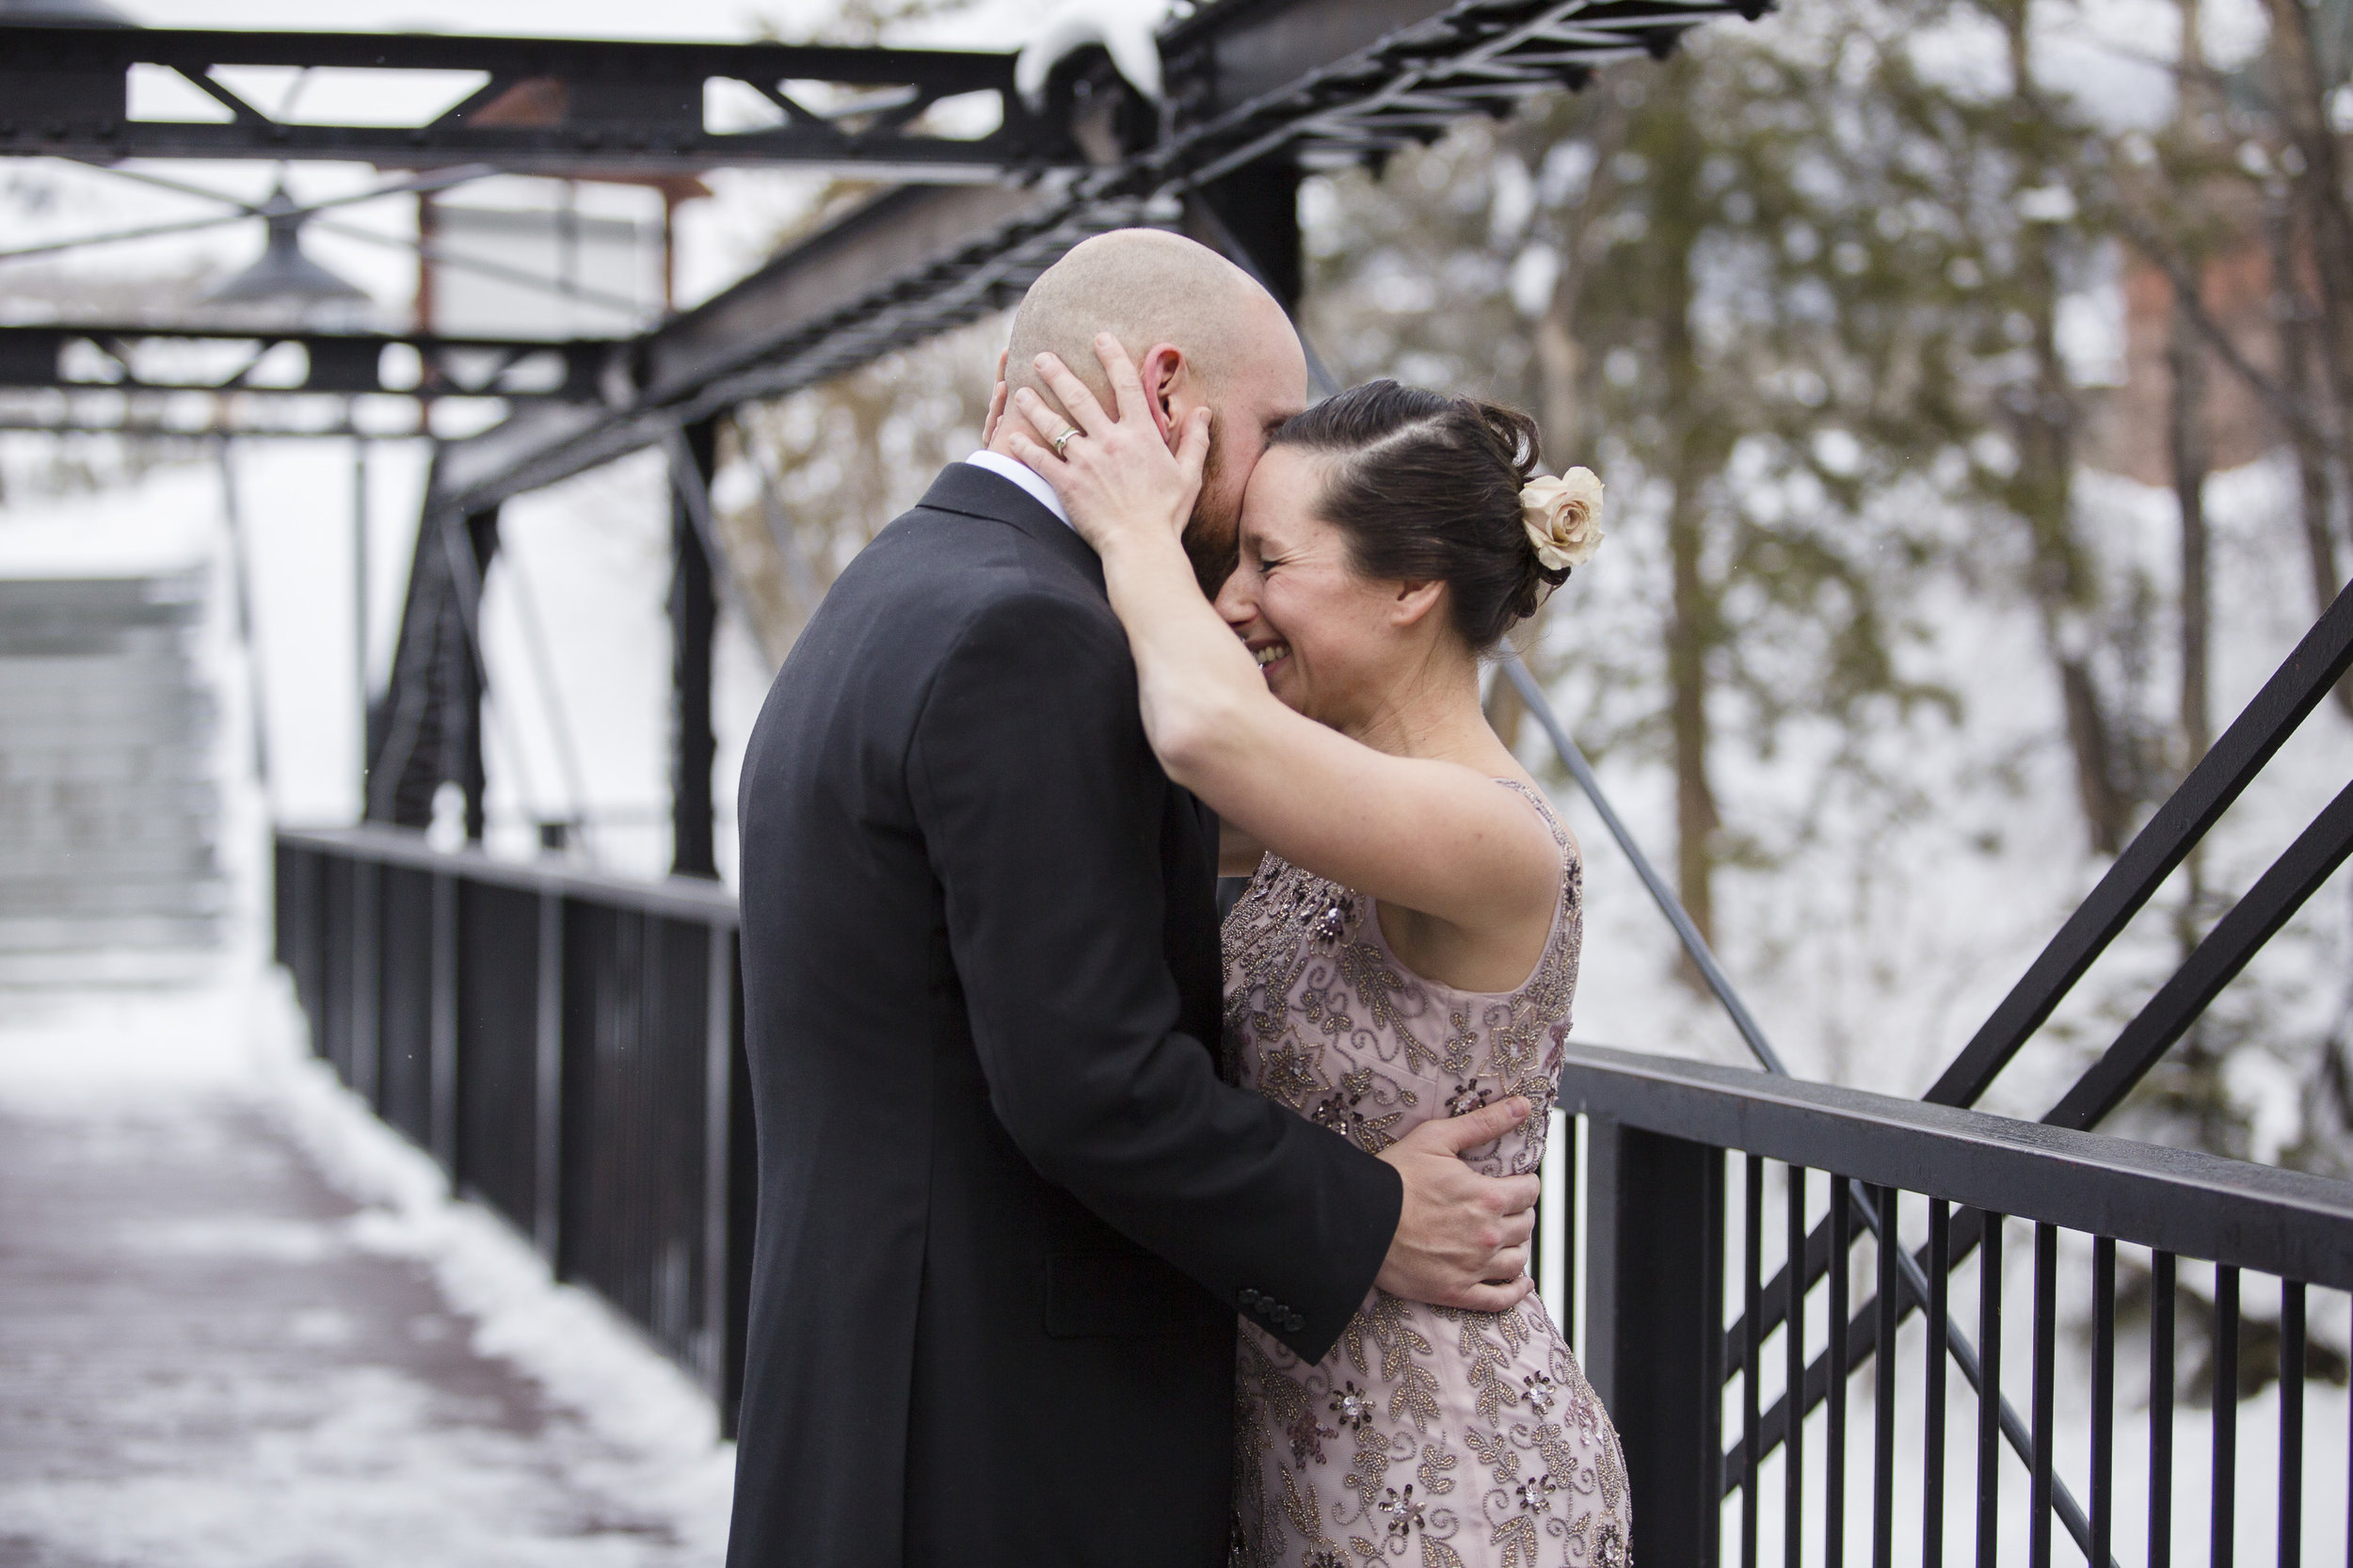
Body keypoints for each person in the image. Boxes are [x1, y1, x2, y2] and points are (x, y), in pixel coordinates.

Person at [726, 229, 1545, 1568]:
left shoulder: (894, 591)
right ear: (1165, 394)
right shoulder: (1033, 637)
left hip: (881, 1394)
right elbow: (1087, 1079)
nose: (1281, 470)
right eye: (1271, 424)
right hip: (997, 1444)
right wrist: (1369, 1215)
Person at [998, 345, 1626, 1566]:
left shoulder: (1491, 834)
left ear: (1411, 588)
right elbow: (1102, 777)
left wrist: (1135, 532)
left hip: (1446, 1485)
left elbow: (1194, 723)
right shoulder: (1319, 802)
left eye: (1269, 562)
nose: (1233, 600)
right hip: (1290, 1464)